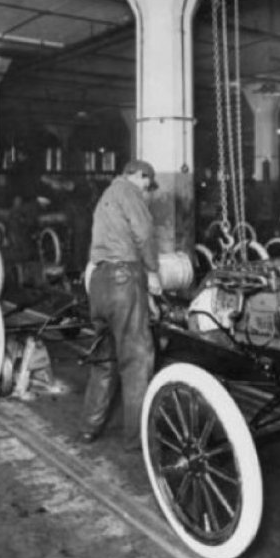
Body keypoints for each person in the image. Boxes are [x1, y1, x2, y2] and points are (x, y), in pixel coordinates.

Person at [78, 159, 162, 452]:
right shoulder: (129, 192)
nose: (146, 191)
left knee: (104, 360)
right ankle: (137, 439)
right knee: (137, 359)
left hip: (99, 282)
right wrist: (153, 274)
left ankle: (89, 427)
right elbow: (145, 233)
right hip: (124, 279)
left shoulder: (105, 197)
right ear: (138, 175)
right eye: (147, 184)